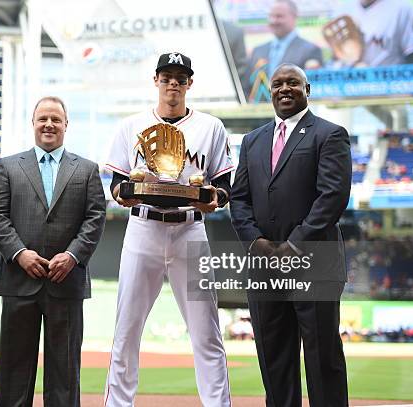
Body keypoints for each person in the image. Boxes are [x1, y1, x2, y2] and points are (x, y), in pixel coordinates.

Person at [104, 52, 233, 407]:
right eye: (167, 76)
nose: (173, 83)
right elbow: (116, 184)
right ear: (156, 80)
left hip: (191, 232)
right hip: (142, 228)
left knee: (207, 332)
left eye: (180, 77)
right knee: (126, 332)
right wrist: (127, 192)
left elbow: (224, 185)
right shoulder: (131, 125)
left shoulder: (211, 127)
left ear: (189, 83)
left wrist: (213, 199)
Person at [230, 63, 351, 406]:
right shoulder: (252, 141)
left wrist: (294, 245)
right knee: (274, 358)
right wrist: (256, 242)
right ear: (271, 92)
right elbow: (239, 199)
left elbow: (333, 197)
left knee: (321, 357)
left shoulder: (329, 134)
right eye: (278, 83)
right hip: (264, 267)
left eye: (293, 83)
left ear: (307, 90)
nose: (285, 88)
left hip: (314, 263)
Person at [0, 96, 106, 407]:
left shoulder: (88, 170)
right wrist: (19, 253)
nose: (49, 124)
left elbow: (95, 218)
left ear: (66, 125)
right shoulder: (8, 167)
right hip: (18, 281)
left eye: (56, 119)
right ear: (33, 124)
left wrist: (73, 256)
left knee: (65, 374)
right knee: (14, 372)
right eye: (43, 118)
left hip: (66, 283)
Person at [249, 0, 323, 80]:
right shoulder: (258, 51)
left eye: (279, 16)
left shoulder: (311, 51)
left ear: (294, 17)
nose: (273, 21)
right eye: (271, 16)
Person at [338, 0, 413, 66]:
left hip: (391, 83)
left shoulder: (402, 8)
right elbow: (336, 57)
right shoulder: (343, 9)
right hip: (351, 84)